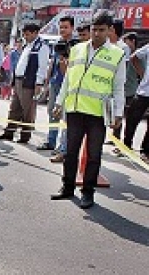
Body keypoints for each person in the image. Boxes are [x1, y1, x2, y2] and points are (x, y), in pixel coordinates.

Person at [51, 11, 126, 209]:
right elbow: (68, 79)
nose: (97, 34)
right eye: (94, 29)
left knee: (94, 156)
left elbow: (119, 87)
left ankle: (88, 193)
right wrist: (60, 102)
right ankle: (67, 188)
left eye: (101, 30)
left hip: (98, 114)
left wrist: (118, 113)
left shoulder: (117, 55)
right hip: (75, 110)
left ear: (110, 30)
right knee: (70, 152)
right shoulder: (77, 49)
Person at [0, 23, 49, 144]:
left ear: (35, 33)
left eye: (28, 34)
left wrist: (38, 84)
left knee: (27, 110)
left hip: (29, 83)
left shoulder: (42, 47)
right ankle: (9, 132)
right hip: (19, 80)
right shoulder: (27, 46)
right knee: (14, 108)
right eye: (24, 34)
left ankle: (25, 136)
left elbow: (42, 67)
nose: (25, 36)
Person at [38, 16, 74, 153]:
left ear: (72, 28)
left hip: (68, 85)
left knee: (65, 116)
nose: (63, 30)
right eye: (61, 27)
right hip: (54, 82)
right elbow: (52, 63)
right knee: (52, 112)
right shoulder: (57, 43)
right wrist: (46, 81)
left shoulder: (75, 46)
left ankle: (63, 147)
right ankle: (51, 141)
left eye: (66, 27)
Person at [121, 34, 149, 163]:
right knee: (132, 119)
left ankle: (145, 151)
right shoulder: (148, 48)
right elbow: (134, 57)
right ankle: (126, 145)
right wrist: (142, 74)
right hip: (144, 90)